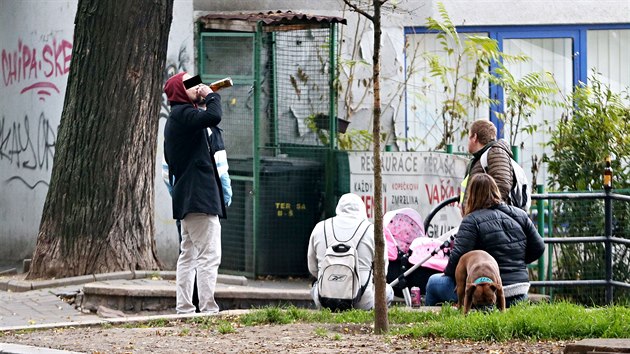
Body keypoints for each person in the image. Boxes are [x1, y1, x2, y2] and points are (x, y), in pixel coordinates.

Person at [425, 174, 545, 308]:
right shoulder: (520, 214)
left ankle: (433, 319)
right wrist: (517, 262)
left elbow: (456, 259)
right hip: (519, 292)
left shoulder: (471, 220)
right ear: (496, 191)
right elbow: (539, 247)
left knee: (432, 282)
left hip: (482, 292)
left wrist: (451, 273)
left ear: (471, 196)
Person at [163, 72, 226, 314]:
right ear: (180, 90)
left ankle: (185, 308)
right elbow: (214, 116)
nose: (196, 85)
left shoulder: (178, 117)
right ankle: (208, 308)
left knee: (188, 256)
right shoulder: (184, 115)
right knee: (209, 255)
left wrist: (201, 100)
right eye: (189, 83)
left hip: (187, 198)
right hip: (199, 198)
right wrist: (211, 95)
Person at [307, 193, 394, 310]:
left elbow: (312, 268)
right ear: (362, 209)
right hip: (362, 302)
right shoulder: (372, 230)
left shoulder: (319, 227)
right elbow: (382, 272)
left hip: (325, 300)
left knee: (315, 287)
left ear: (338, 208)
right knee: (388, 290)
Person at [460, 119, 513, 215]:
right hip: (479, 219)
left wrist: (483, 213)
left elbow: (502, 185)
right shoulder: (480, 158)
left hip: (489, 221)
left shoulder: (495, 153)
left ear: (475, 137)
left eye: (469, 137)